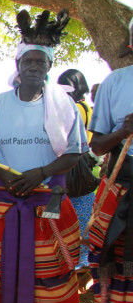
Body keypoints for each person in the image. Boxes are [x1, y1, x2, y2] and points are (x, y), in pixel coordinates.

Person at [0, 9, 84, 303]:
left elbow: (73, 153)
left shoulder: (63, 104)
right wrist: (7, 178)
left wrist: (39, 173)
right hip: (5, 202)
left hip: (47, 203)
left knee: (42, 275)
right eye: (28, 60)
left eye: (41, 61)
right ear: (18, 64)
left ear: (48, 66)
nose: (34, 66)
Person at [85, 0, 133, 303]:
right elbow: (98, 146)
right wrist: (124, 131)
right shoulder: (117, 83)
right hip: (123, 188)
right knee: (115, 272)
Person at [57, 68, 97, 285]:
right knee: (82, 221)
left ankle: (70, 265)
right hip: (85, 170)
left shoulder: (72, 108)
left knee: (59, 215)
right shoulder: (88, 109)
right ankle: (81, 263)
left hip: (69, 169)